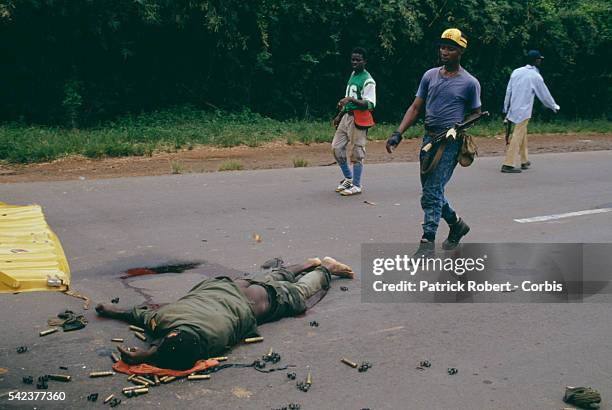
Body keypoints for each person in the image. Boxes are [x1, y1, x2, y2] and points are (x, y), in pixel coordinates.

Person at [96, 257, 354, 370]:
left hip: (257, 303)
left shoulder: (212, 343)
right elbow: (137, 315)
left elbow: (174, 355)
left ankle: (325, 269)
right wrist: (111, 310)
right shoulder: (166, 317)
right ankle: (309, 262)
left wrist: (146, 357)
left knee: (296, 295)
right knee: (270, 276)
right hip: (229, 286)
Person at [385, 28, 481, 252]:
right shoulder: (430, 76)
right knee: (431, 190)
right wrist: (398, 133)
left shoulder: (469, 82)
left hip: (450, 142)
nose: (444, 51)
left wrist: (460, 126)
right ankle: (457, 225)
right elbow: (416, 107)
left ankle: (427, 242)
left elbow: (477, 112)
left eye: (450, 48)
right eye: (442, 47)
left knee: (432, 191)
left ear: (460, 51)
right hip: (429, 138)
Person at [501, 49, 560, 173]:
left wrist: (505, 108)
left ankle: (524, 160)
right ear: (535, 60)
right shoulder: (535, 76)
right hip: (524, 111)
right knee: (517, 136)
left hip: (513, 109)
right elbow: (544, 94)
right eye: (539, 59)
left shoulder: (516, 72)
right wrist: (553, 106)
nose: (540, 61)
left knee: (522, 134)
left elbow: (508, 91)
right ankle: (508, 164)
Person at [331, 47, 376, 196]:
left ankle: (357, 185)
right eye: (353, 59)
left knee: (357, 152)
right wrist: (339, 115)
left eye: (358, 60)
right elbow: (347, 100)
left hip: (359, 119)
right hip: (346, 117)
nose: (355, 62)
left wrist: (351, 99)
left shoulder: (368, 80)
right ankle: (348, 178)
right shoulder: (352, 74)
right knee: (336, 148)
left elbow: (370, 104)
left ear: (365, 61)